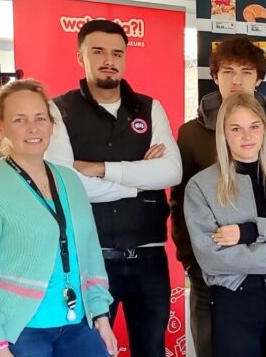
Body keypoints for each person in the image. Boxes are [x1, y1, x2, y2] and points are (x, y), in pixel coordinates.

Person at [0, 79, 116, 356]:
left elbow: (89, 251)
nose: (33, 128)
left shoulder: (69, 180)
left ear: (51, 124)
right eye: (20, 120)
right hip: (18, 332)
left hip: (77, 325)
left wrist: (101, 314)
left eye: (40, 118)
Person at [45, 20, 182, 356]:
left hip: (150, 259)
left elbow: (171, 171)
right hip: (91, 261)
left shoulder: (149, 107)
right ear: (81, 57)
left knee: (151, 350)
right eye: (98, 52)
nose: (109, 60)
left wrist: (99, 169)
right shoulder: (58, 110)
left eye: (117, 53)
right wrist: (139, 183)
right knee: (91, 350)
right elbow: (65, 185)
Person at [172, 36, 266, 357]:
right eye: (228, 71)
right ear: (214, 76)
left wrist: (263, 240)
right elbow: (181, 205)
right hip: (217, 276)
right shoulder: (191, 134)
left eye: (246, 72)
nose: (237, 81)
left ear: (258, 79)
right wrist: (194, 260)